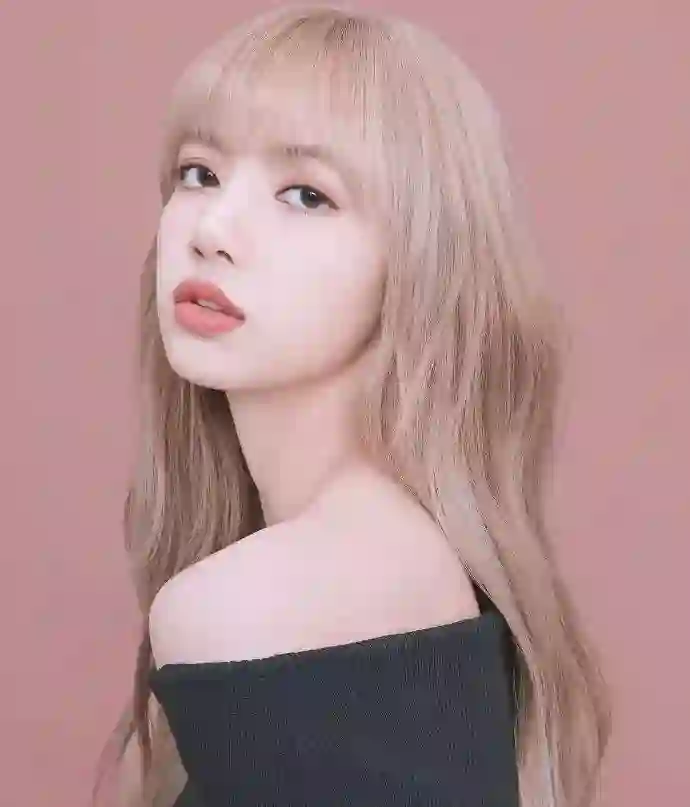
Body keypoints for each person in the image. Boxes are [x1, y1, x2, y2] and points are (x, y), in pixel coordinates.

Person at [91, 4, 613, 806]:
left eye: (306, 194)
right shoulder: (418, 562)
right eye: (199, 173)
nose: (212, 228)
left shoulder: (251, 610)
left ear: (420, 267)